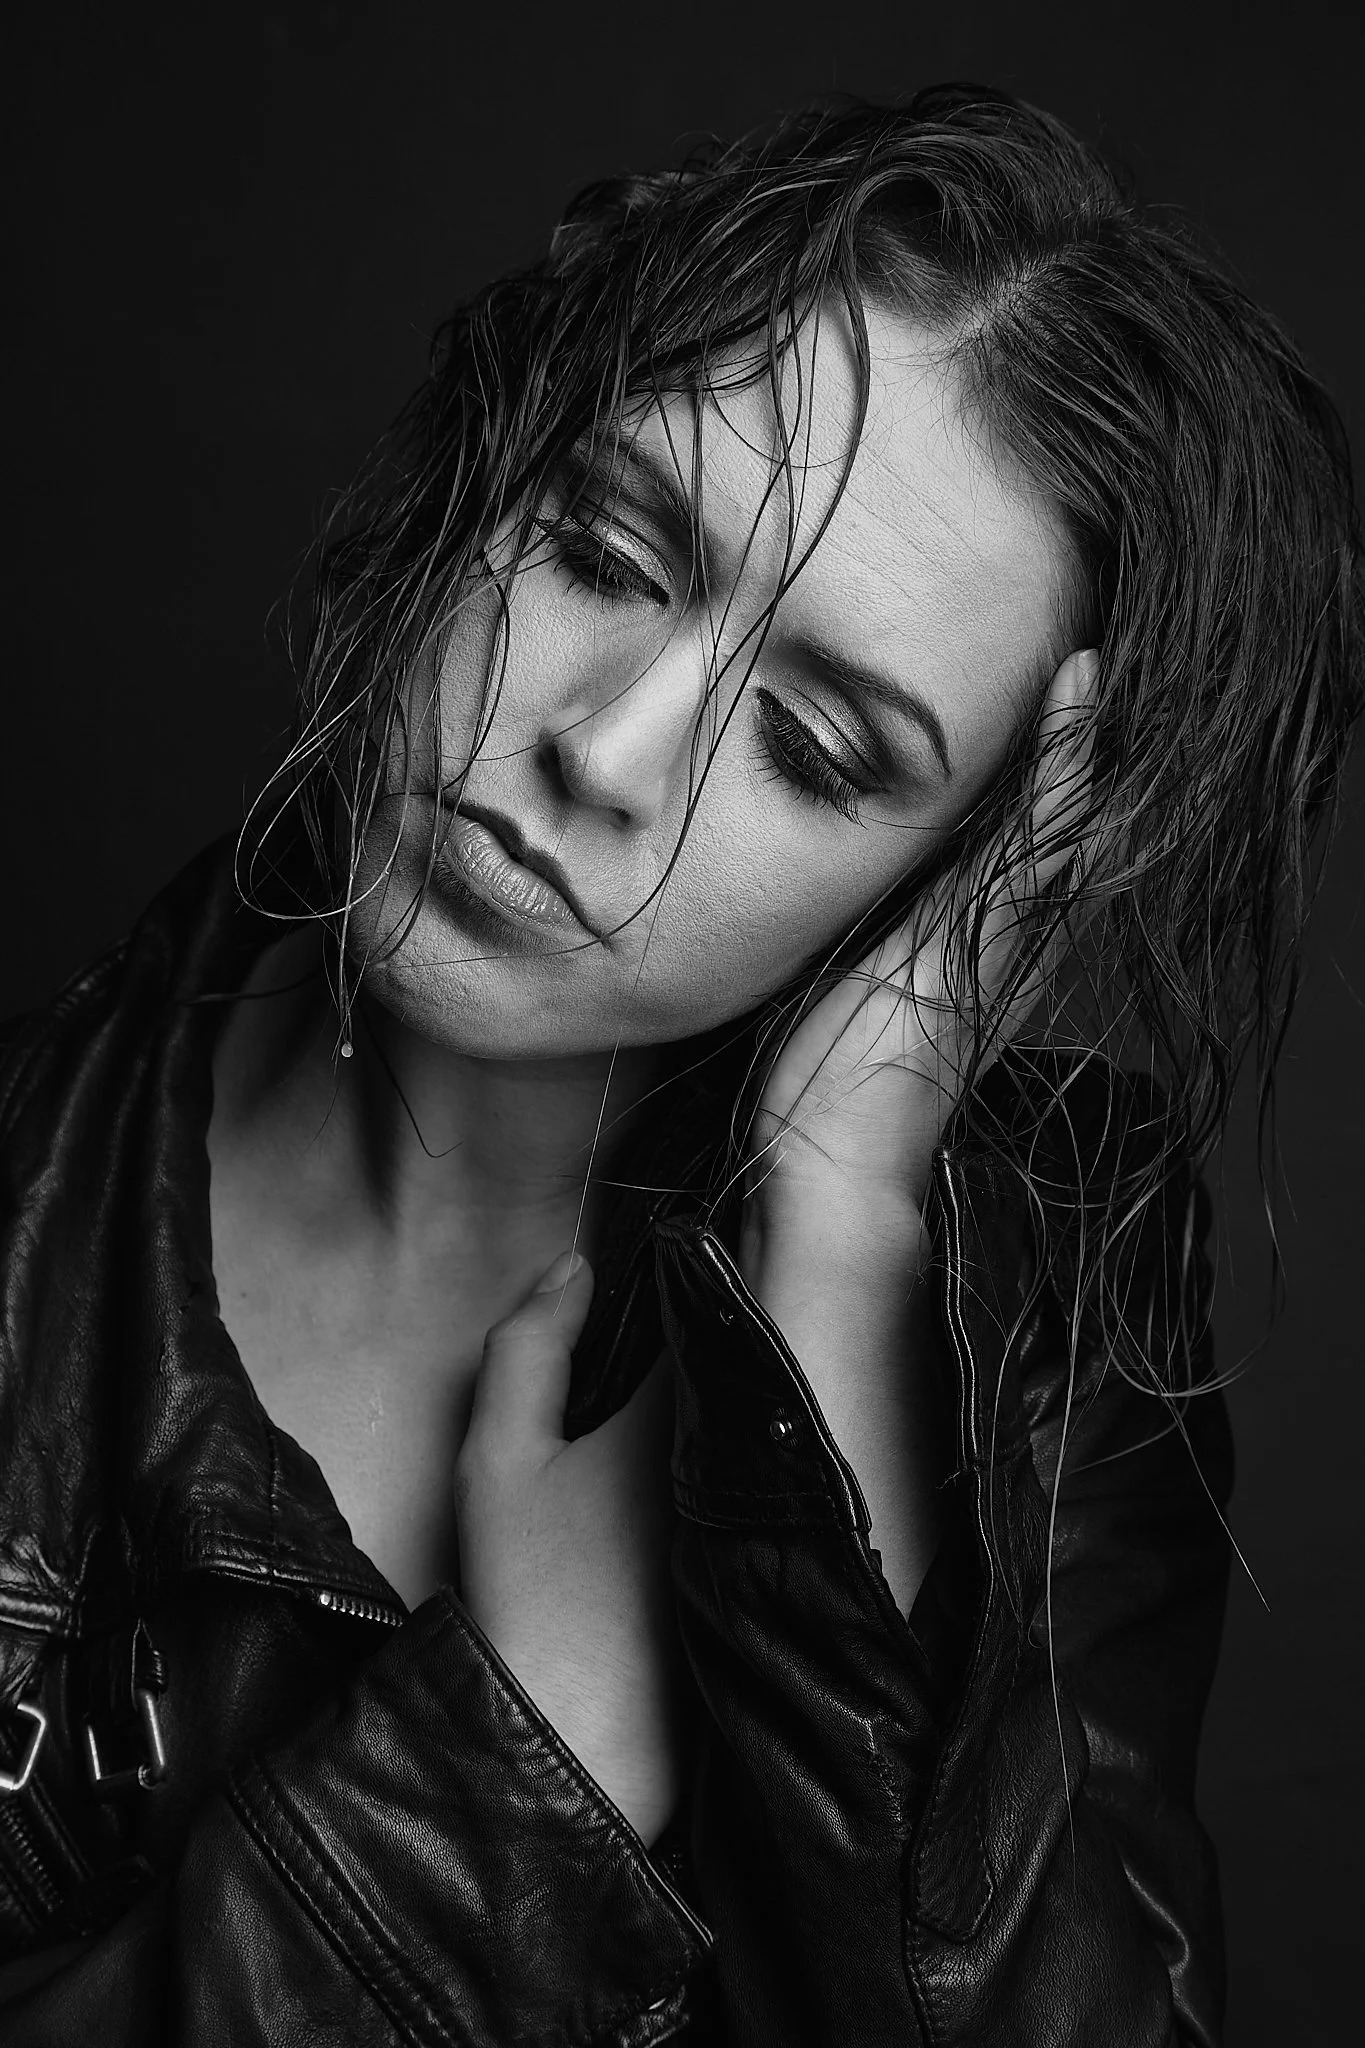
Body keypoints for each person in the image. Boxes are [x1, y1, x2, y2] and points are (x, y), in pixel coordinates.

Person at [0, 82, 1357, 2045]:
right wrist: (518, 1757)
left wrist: (843, 1263)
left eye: (818, 752)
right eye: (614, 555)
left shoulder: (1042, 1309)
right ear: (492, 476)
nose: (606, 757)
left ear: (964, 865)